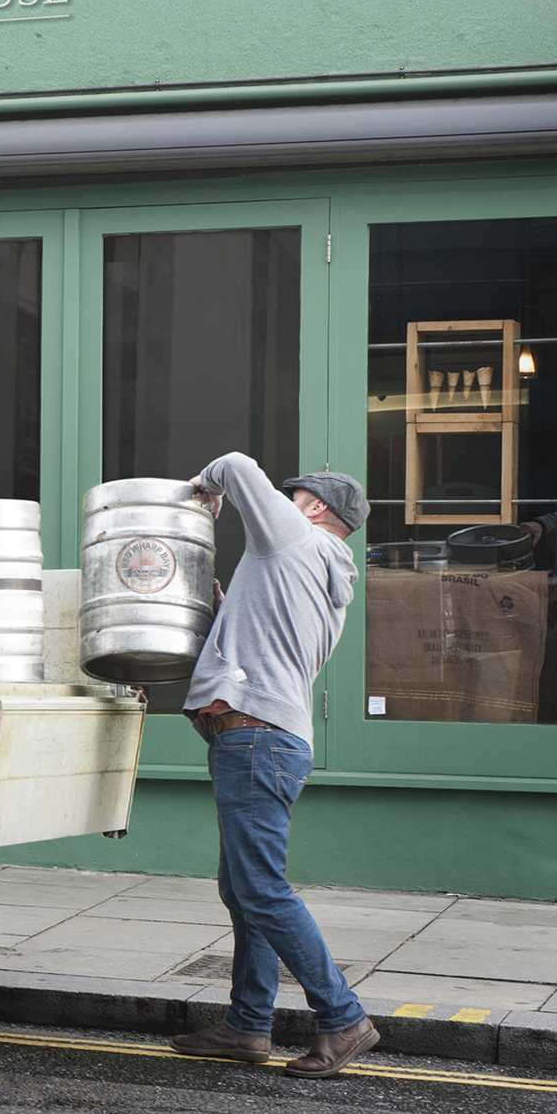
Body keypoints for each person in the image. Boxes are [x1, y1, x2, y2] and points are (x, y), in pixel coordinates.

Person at [172, 454, 380, 1079]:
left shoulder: (296, 538)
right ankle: (247, 1026)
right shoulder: (318, 570)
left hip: (256, 740)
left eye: (295, 496)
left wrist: (203, 492)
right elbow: (260, 631)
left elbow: (235, 463)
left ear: (316, 509)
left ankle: (343, 1017)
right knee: (244, 890)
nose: (284, 504)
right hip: (269, 740)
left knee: (261, 888)